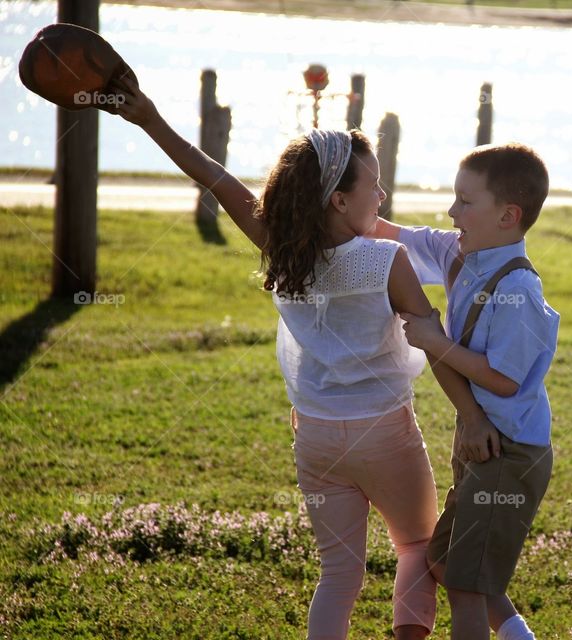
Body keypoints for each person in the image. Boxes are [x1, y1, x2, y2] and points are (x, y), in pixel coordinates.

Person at [110, 76, 494, 640]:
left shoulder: (280, 247)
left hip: (314, 437)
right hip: (383, 433)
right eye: (374, 187)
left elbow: (213, 176)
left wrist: (148, 118)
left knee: (337, 574)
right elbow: (432, 348)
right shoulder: (386, 261)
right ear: (340, 199)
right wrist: (472, 414)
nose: (381, 198)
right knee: (416, 545)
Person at [372, 143, 560, 640]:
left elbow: (504, 378)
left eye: (464, 201)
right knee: (444, 560)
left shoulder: (518, 289)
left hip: (510, 452)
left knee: (466, 586)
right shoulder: (457, 252)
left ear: (507, 216)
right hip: (481, 444)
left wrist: (435, 341)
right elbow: (385, 235)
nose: (451, 211)